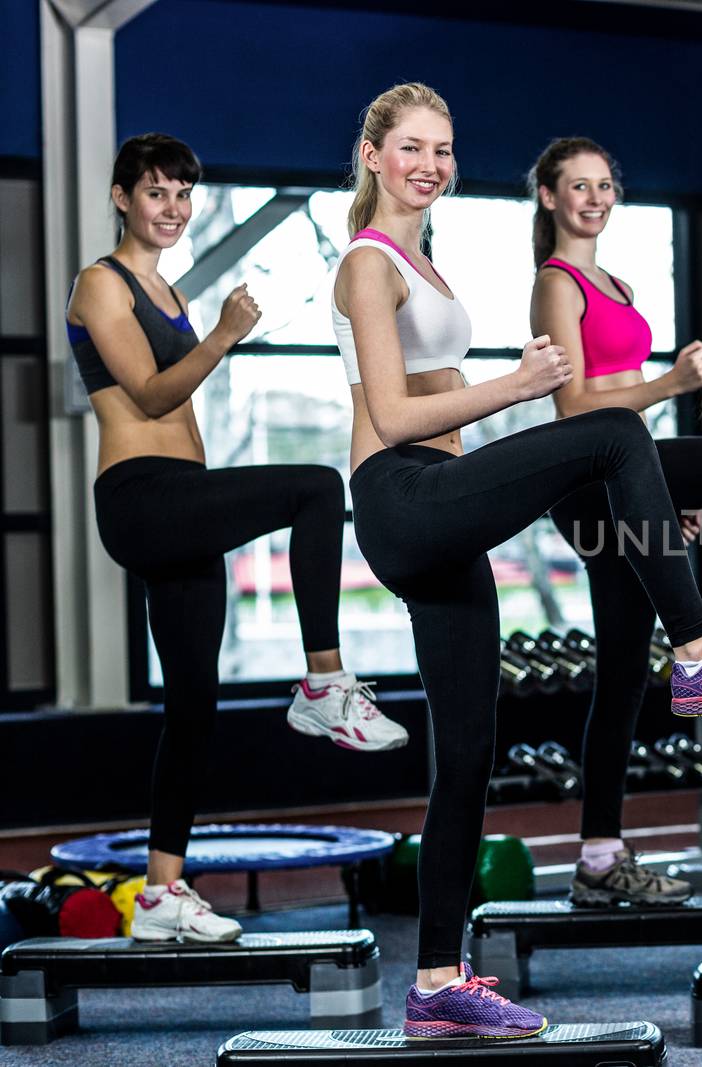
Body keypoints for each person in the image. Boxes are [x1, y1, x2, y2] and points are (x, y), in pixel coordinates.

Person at [333, 83, 702, 1039]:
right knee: (611, 436)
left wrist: (504, 429)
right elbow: (389, 419)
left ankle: (435, 982)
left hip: (446, 507)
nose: (431, 164)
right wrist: (518, 383)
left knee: (467, 754)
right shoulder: (365, 263)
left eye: (445, 149)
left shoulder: (424, 266)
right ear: (376, 155)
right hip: (400, 495)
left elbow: (443, 406)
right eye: (414, 148)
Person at [64, 134, 402, 944]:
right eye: (156, 194)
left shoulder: (167, 290)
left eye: (183, 195)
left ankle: (159, 893)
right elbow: (147, 398)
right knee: (316, 489)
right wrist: (221, 336)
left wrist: (211, 328)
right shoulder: (99, 286)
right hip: (141, 498)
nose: (173, 209)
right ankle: (323, 682)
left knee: (193, 708)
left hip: (181, 505)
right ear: (121, 198)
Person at [528, 137, 702, 908]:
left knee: (623, 672)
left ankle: (597, 858)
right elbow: (574, 409)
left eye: (605, 184)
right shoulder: (556, 284)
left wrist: (657, 491)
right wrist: (673, 382)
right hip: (585, 482)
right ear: (550, 197)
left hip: (628, 477)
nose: (595, 197)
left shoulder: (615, 282)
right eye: (578, 186)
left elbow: (630, 428)